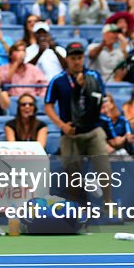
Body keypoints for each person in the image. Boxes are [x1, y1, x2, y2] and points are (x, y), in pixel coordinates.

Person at [44, 42, 111, 203]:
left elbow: (100, 99)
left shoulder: (94, 76)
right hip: (70, 132)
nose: (76, 62)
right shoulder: (58, 80)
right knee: (72, 173)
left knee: (104, 168)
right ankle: (77, 207)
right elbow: (48, 106)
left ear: (84, 58)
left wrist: (85, 87)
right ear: (67, 59)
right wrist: (62, 125)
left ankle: (108, 203)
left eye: (79, 58)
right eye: (73, 58)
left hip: (93, 130)